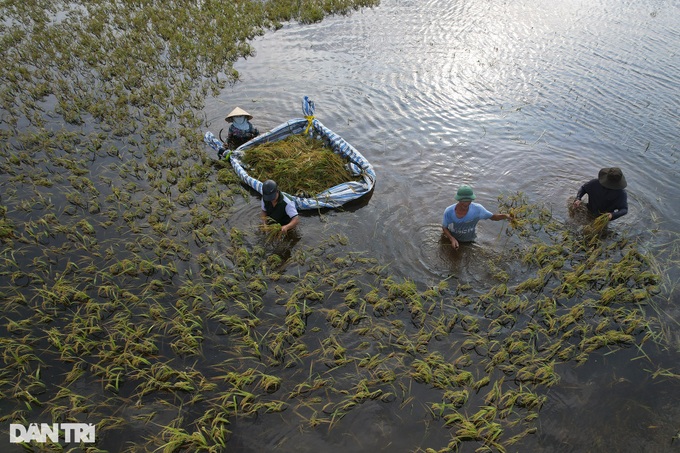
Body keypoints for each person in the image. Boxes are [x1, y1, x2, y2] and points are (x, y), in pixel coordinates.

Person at [442, 185, 512, 250]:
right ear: (458, 199)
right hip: (454, 239)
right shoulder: (449, 211)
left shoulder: (478, 209)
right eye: (463, 200)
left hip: (470, 240)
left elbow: (493, 217)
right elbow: (444, 227)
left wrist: (505, 216)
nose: (466, 203)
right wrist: (452, 239)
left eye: (468, 200)